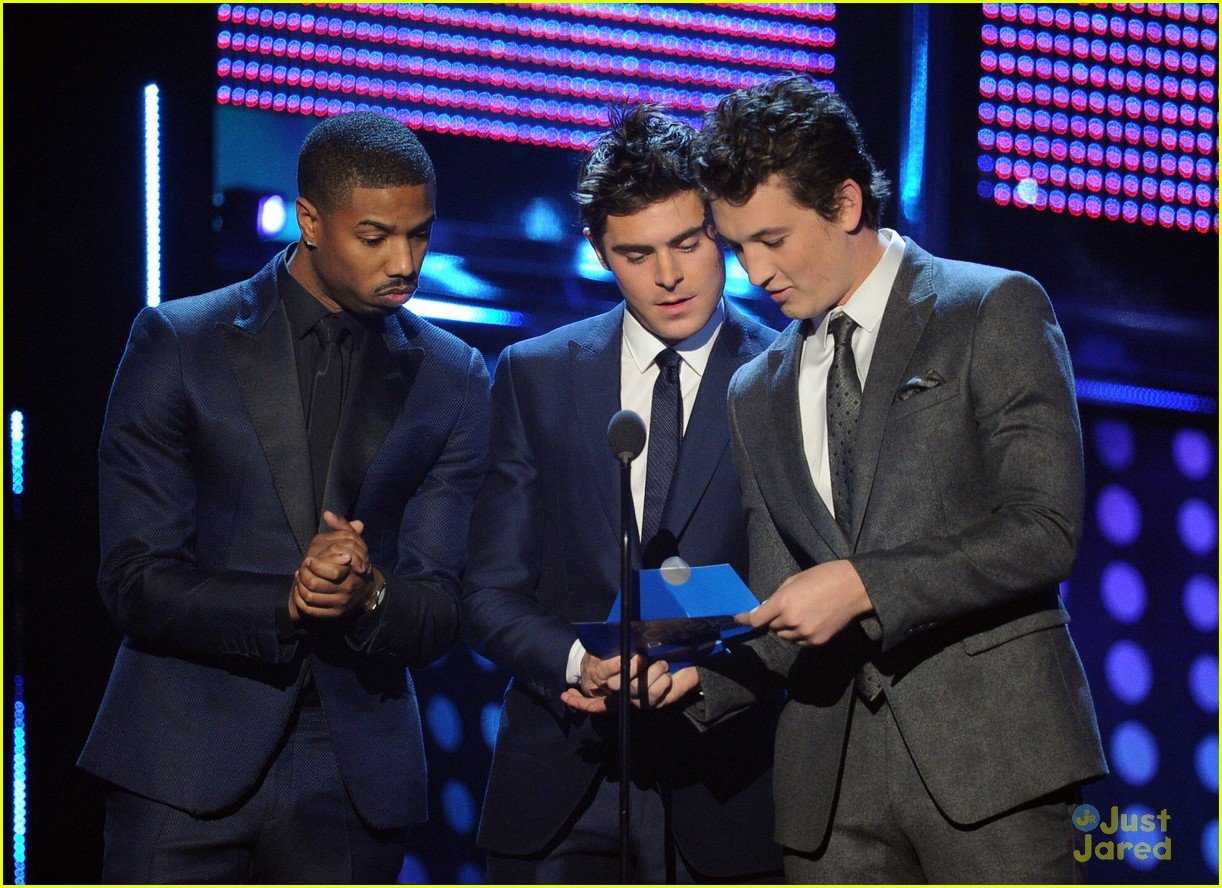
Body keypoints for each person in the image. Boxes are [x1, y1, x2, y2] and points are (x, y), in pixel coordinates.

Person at [685, 75, 1108, 882]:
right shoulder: (756, 387)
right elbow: (781, 597)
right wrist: (687, 680)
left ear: (845, 204)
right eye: (740, 246)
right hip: (828, 786)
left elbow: (1044, 529)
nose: (755, 271)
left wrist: (865, 586)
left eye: (773, 238)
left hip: (992, 764)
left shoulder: (990, 308)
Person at [79, 112, 490, 883]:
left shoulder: (455, 376)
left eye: (421, 235)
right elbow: (134, 580)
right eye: (376, 237)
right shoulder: (179, 343)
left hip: (354, 773)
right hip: (183, 757)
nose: (406, 262)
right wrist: (289, 603)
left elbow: (442, 607)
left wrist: (368, 593)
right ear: (309, 219)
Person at [461, 104, 783, 883]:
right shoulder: (536, 375)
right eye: (637, 253)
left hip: (725, 787)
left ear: (722, 232)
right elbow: (489, 591)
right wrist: (577, 663)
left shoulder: (786, 378)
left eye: (687, 243)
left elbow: (806, 587)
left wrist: (709, 679)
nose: (669, 276)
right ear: (600, 251)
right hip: (564, 785)